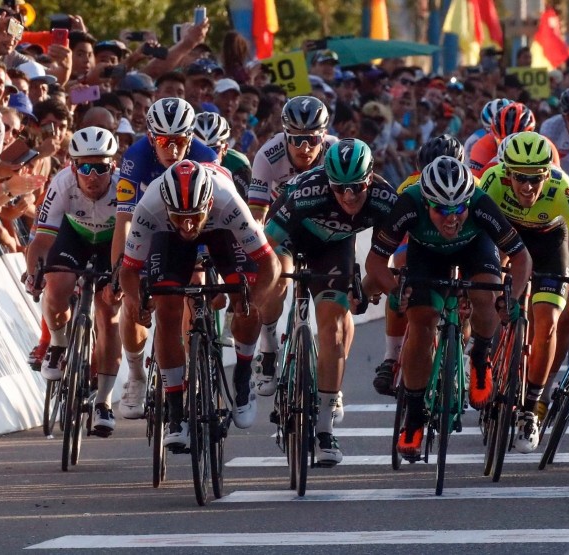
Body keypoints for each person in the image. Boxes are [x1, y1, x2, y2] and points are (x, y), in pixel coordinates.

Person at [365, 156, 532, 458]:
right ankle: (414, 416)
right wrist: (393, 292)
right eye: (442, 210)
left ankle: (480, 357)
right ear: (426, 202)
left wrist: (512, 299)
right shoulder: (409, 203)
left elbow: (521, 258)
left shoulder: (481, 203)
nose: (452, 218)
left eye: (459, 209)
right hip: (426, 256)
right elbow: (375, 261)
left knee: (485, 295)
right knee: (421, 322)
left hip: (474, 249)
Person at [119, 160, 280, 446]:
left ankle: (243, 376)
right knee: (167, 308)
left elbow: (270, 263)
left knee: (247, 294)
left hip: (222, 229)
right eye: (181, 216)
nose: (189, 224)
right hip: (168, 238)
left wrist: (253, 303)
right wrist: (135, 302)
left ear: (207, 202)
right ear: (167, 207)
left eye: (194, 214)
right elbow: (129, 270)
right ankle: (176, 411)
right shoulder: (149, 207)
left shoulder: (228, 201)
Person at [258, 138, 396, 465]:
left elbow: (383, 256)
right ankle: (268, 345)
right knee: (278, 275)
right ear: (328, 181)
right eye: (340, 188)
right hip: (290, 236)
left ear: (371, 178)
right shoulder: (308, 191)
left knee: (333, 325)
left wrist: (366, 286)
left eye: (357, 188)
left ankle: (324, 428)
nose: (349, 196)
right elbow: (263, 252)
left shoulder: (386, 199)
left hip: (334, 248)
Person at [479, 131, 569, 453]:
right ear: (507, 173)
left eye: (536, 179)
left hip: (549, 244)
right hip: (507, 238)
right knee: (485, 291)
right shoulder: (491, 179)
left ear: (548, 174)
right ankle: (482, 353)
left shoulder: (562, 187)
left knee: (546, 323)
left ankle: (530, 409)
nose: (528, 187)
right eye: (520, 178)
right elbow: (472, 234)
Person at [110, 97, 217, 420]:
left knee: (195, 287)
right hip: (152, 225)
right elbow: (123, 221)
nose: (172, 149)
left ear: (191, 139)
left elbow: (219, 219)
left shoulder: (206, 156)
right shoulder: (137, 157)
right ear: (150, 137)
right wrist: (119, 273)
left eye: (180, 142)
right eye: (164, 142)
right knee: (134, 298)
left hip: (195, 225)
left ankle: (194, 365)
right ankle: (136, 375)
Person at [24, 127, 122, 436]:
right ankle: (57, 342)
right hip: (74, 236)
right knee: (58, 283)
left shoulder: (126, 187)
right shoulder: (62, 183)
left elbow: (136, 241)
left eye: (101, 167)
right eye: (85, 167)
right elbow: (41, 240)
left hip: (113, 243)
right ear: (72, 165)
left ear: (113, 166)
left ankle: (104, 401)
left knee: (108, 311)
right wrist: (34, 273)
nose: (93, 175)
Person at [372, 134, 467, 396]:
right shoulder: (409, 187)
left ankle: (463, 355)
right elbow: (396, 237)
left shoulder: (472, 185)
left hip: (456, 244)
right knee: (402, 273)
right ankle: (391, 355)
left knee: (470, 291)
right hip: (418, 242)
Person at [248, 95, 338, 223]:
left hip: (322, 215)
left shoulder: (335, 152)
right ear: (285, 135)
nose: (305, 149)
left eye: (313, 140)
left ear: (324, 136)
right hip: (280, 211)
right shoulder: (267, 156)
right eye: (297, 140)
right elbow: (257, 215)